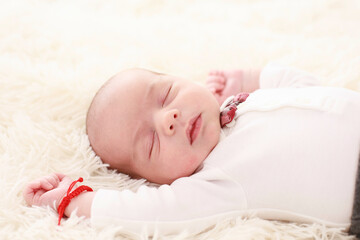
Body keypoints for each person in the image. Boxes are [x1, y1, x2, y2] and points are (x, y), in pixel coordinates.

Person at [23, 63, 360, 236]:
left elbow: (306, 88)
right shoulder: (216, 182)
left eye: (166, 94)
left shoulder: (243, 102)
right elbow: (147, 213)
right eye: (152, 142)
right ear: (153, 180)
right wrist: (76, 200)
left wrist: (252, 76)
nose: (168, 118)